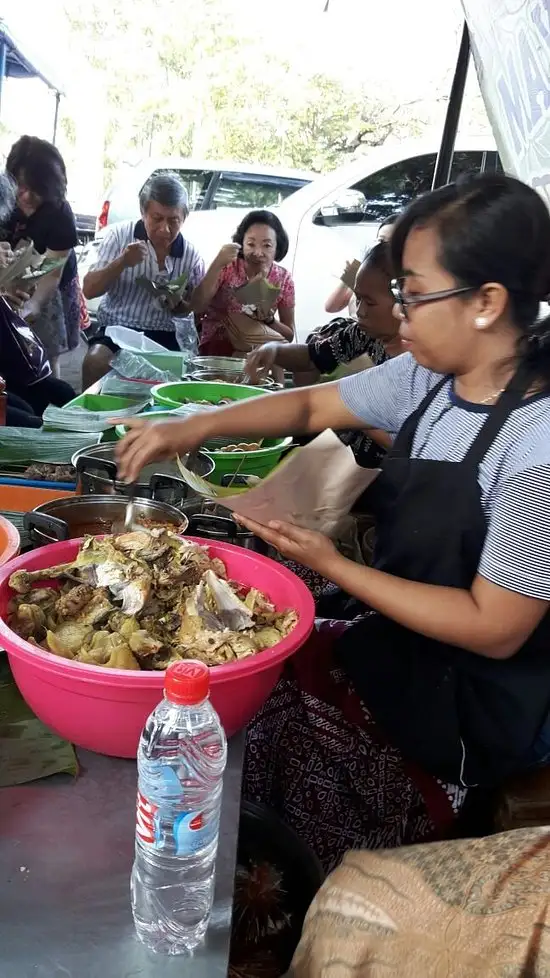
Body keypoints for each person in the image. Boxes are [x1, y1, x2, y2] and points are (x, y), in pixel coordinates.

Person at [116, 172, 550, 872]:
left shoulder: (538, 449)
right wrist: (187, 428)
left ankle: (288, 894)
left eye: (413, 293)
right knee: (251, 673)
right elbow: (309, 408)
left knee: (266, 718)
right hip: (401, 647)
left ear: (486, 302)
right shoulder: (428, 380)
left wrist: (335, 565)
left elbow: (493, 628)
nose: (398, 313)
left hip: (471, 712)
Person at [81, 171, 205, 388]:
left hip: (165, 334)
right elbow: (89, 290)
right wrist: (122, 262)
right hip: (118, 330)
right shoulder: (119, 236)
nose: (165, 230)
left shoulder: (190, 255)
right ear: (143, 212)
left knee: (185, 375)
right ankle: (90, 418)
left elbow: (196, 311)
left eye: (173, 221)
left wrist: (179, 304)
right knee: (95, 359)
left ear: (184, 217)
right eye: (157, 219)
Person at [4, 137, 80, 378]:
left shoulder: (59, 212)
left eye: (36, 191)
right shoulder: (2, 196)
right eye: (22, 188)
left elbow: (52, 271)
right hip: (5, 278)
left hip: (48, 283)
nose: (26, 197)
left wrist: (32, 306)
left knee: (42, 353)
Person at [193, 210, 295, 357]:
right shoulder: (227, 267)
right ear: (241, 243)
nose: (258, 252)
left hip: (259, 349)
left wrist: (269, 319)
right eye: (251, 244)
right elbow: (197, 306)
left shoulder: (284, 279)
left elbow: (289, 336)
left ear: (277, 247)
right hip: (218, 347)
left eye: (267, 246)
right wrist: (216, 264)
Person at [324, 214, 399, 317]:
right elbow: (331, 307)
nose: (384, 247)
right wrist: (348, 277)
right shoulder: (363, 269)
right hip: (354, 330)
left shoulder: (402, 282)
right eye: (381, 241)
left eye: (391, 243)